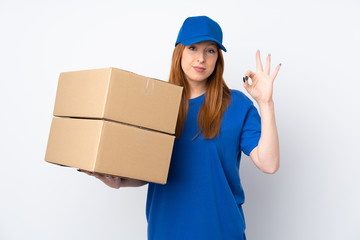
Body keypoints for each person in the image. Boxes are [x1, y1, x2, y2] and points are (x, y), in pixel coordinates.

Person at [80, 15, 280, 240]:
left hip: (222, 233)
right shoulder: (156, 102)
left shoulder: (237, 105)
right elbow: (150, 171)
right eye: (193, 48)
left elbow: (269, 163)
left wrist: (266, 103)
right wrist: (118, 181)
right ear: (179, 52)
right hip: (167, 232)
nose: (201, 58)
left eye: (210, 50)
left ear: (218, 59)